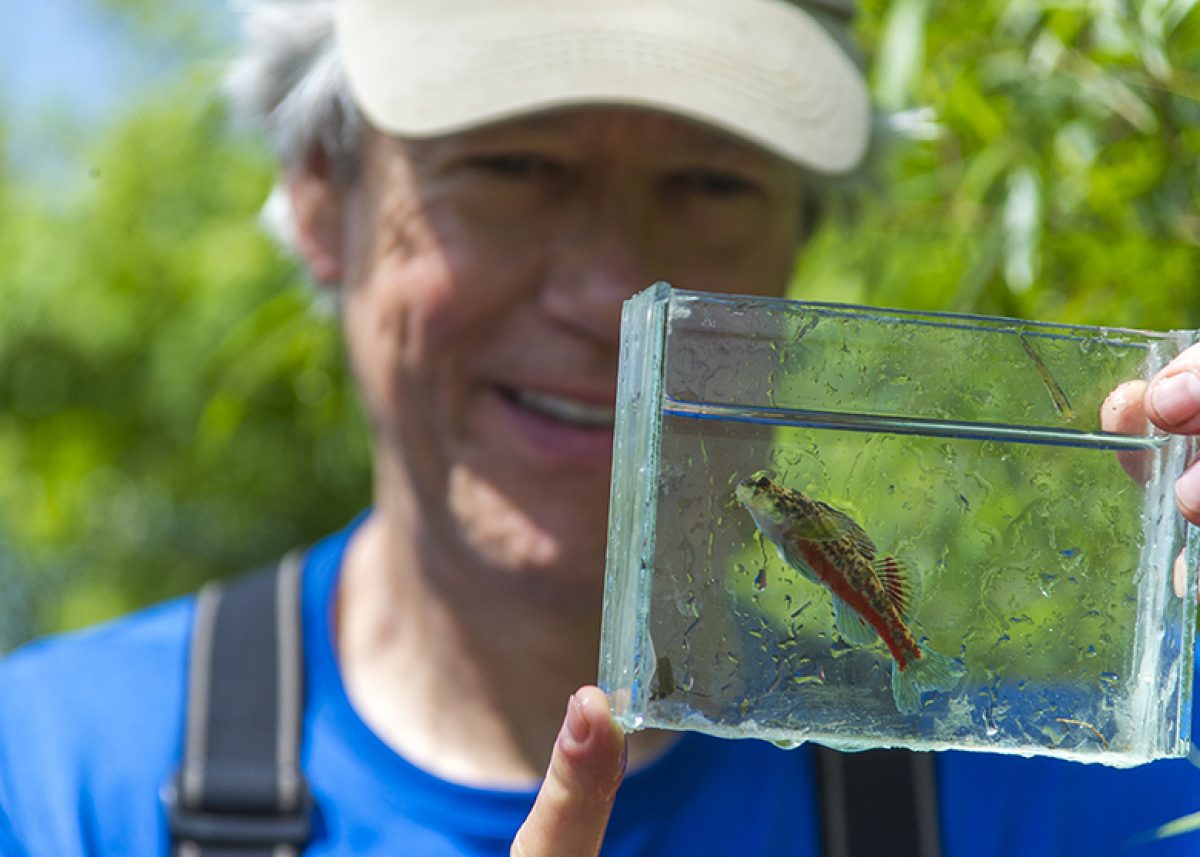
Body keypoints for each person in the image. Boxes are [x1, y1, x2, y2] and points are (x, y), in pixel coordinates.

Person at [1, 1, 1198, 855]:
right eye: (515, 165)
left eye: (710, 182)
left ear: (802, 246)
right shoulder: (45, 785)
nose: (611, 293)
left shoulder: (1093, 801)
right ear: (323, 200)